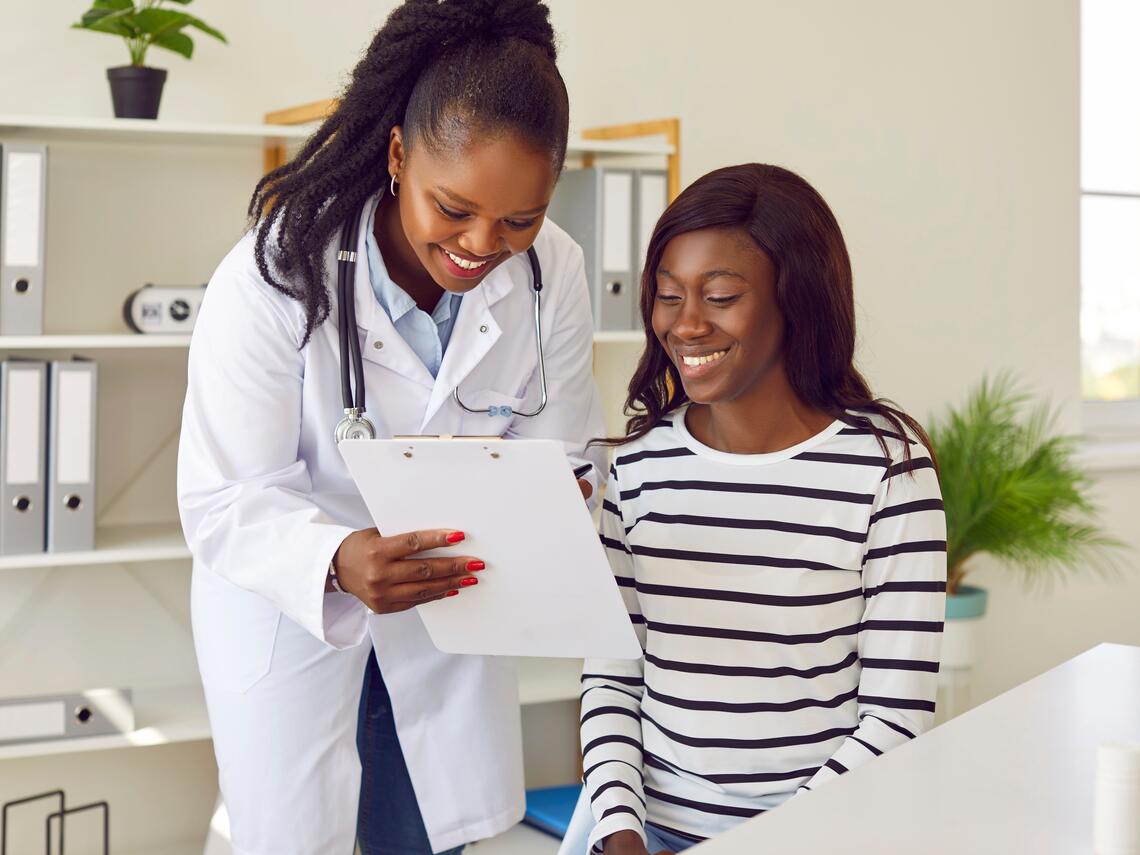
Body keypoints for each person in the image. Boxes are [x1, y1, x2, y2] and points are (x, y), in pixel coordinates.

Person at [177, 1, 605, 853]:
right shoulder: (274, 273)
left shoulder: (552, 269)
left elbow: (563, 447)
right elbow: (226, 496)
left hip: (453, 601)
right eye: (453, 208)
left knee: (424, 833)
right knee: (302, 833)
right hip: (294, 610)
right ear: (400, 154)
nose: (483, 244)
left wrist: (562, 498)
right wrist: (335, 557)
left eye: (519, 218)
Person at [578, 164, 947, 854]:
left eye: (719, 296)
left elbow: (895, 718)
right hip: (651, 835)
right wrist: (620, 829)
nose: (685, 324)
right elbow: (611, 675)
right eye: (666, 295)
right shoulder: (638, 463)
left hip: (820, 838)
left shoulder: (889, 468)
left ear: (796, 300)